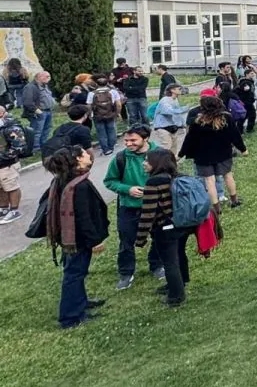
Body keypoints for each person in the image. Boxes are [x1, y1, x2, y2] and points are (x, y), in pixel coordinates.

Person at [45, 145, 109, 328]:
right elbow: (83, 217)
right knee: (74, 274)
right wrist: (95, 241)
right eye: (84, 153)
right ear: (78, 159)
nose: (89, 155)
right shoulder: (79, 185)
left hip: (68, 237)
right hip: (78, 239)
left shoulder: (63, 179)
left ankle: (80, 302)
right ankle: (70, 317)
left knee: (76, 272)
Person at [102, 125, 164, 290]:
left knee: (159, 237)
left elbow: (170, 176)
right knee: (126, 241)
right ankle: (126, 272)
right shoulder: (121, 158)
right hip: (128, 207)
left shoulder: (160, 154)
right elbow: (109, 181)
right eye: (126, 140)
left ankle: (157, 265)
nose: (129, 144)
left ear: (146, 138)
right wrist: (127, 189)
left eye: (133, 140)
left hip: (155, 206)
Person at [135, 149, 196, 307]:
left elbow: (148, 213)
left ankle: (176, 295)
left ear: (156, 163)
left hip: (164, 228)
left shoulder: (153, 182)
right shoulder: (176, 177)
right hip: (181, 224)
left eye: (147, 160)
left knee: (169, 262)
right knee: (180, 254)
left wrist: (140, 238)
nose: (144, 163)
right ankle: (182, 280)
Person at [180, 96, 246, 208]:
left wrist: (181, 154)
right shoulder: (226, 118)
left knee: (209, 181)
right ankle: (234, 201)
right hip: (223, 153)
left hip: (203, 156)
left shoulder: (198, 122)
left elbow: (189, 140)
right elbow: (235, 135)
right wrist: (243, 149)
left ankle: (216, 208)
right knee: (228, 175)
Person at [149, 83, 190, 156]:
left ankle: (172, 162)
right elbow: (169, 111)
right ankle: (158, 160)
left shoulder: (175, 100)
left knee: (174, 148)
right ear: (172, 90)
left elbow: (177, 115)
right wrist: (184, 109)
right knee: (166, 146)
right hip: (162, 127)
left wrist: (182, 124)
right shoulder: (165, 100)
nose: (181, 90)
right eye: (179, 89)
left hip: (172, 127)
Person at [22, 71, 55, 155]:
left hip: (48, 111)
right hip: (39, 112)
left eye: (49, 76)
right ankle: (35, 148)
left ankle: (42, 145)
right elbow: (27, 102)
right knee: (37, 131)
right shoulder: (30, 87)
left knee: (46, 129)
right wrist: (37, 111)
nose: (49, 78)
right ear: (39, 77)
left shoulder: (45, 86)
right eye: (46, 76)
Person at [0, 106, 23, 225]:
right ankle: (3, 208)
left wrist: (3, 158)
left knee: (11, 187)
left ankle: (14, 210)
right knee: (1, 188)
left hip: (7, 164)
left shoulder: (11, 127)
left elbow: (19, 146)